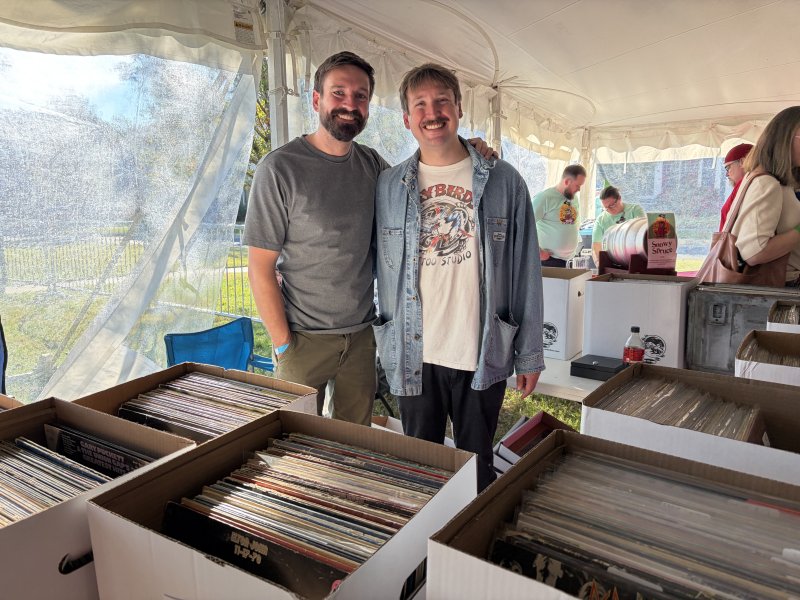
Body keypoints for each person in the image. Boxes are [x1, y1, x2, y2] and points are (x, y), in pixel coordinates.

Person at [244, 51, 496, 426]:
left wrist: (465, 152)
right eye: (339, 93)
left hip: (362, 337)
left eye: (360, 96)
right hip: (303, 340)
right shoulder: (280, 169)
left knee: (354, 441)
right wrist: (282, 343)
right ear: (316, 99)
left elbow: (423, 183)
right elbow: (259, 268)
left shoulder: (374, 166)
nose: (350, 105)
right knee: (292, 441)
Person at [373, 63, 545, 492]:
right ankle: (427, 536)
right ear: (406, 119)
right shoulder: (387, 186)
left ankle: (473, 532)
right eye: (420, 105)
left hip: (480, 349)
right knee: (421, 471)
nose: (432, 113)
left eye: (442, 101)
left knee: (476, 469)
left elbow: (526, 269)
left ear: (459, 108)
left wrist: (529, 355)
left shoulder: (504, 181)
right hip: (414, 352)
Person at [729, 106, 800, 286]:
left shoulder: (771, 180)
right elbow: (754, 252)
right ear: (784, 139)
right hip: (778, 285)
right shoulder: (766, 183)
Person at [532, 164, 586, 267]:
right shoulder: (544, 198)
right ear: (567, 181)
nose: (579, 189)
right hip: (548, 260)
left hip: (570, 260)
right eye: (577, 185)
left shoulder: (574, 198)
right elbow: (524, 227)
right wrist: (538, 252)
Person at [591, 185, 646, 265]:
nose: (609, 210)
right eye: (606, 208)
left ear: (619, 198)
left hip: (634, 260)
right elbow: (596, 245)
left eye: (612, 206)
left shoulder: (635, 210)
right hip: (612, 261)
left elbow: (641, 236)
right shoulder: (601, 220)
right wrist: (598, 263)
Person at [719, 143, 753, 231]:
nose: (727, 174)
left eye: (728, 168)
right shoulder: (745, 186)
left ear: (743, 162)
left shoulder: (746, 184)